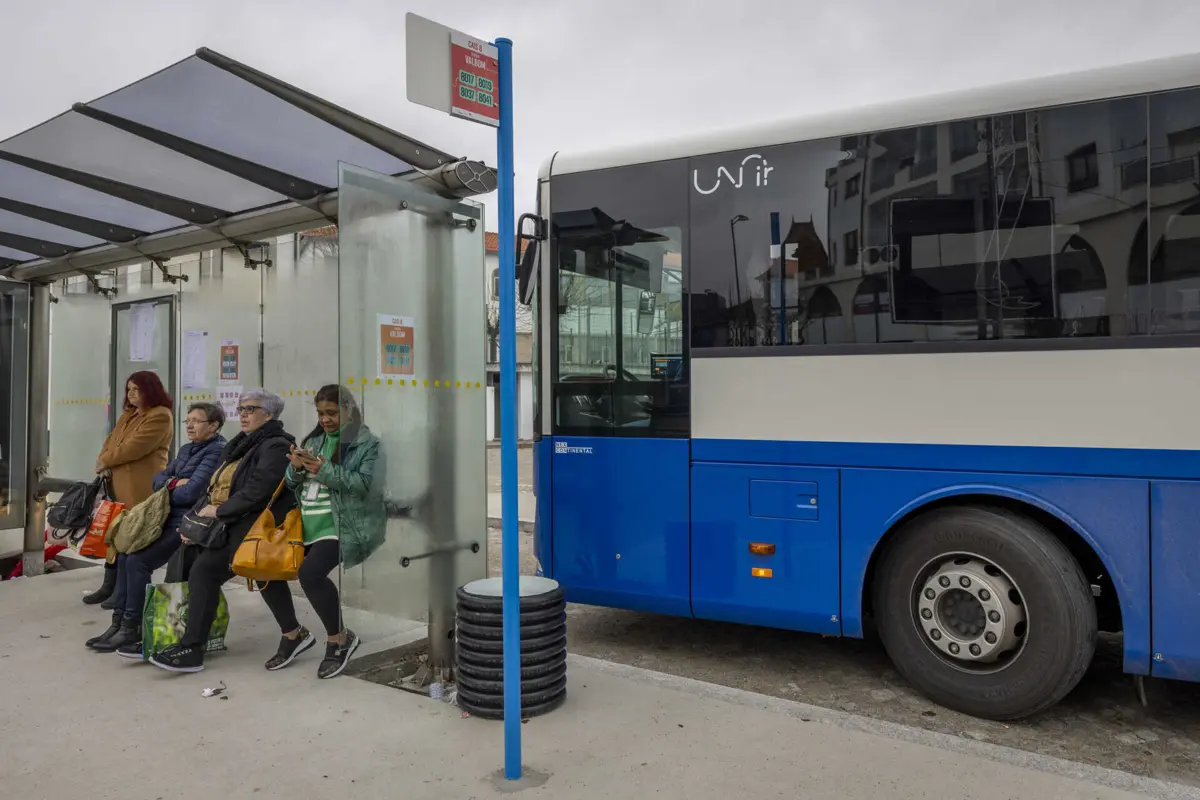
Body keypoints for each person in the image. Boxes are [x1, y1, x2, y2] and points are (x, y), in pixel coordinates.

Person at [148, 389, 294, 674]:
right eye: (241, 409)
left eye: (250, 409)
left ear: (269, 414)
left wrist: (220, 511)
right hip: (231, 524)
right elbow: (213, 487)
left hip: (252, 527)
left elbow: (259, 489)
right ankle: (181, 639)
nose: (243, 415)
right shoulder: (242, 444)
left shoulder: (276, 446)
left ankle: (192, 647)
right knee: (211, 570)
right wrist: (194, 522)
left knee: (213, 572)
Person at [258, 384, 385, 679]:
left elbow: (366, 485)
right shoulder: (314, 440)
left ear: (349, 410)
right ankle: (293, 634)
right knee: (264, 566)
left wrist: (322, 469)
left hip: (342, 524)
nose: (325, 419)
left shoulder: (368, 444)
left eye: (331, 413)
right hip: (305, 524)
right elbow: (292, 483)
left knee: (311, 573)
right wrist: (296, 468)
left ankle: (339, 638)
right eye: (320, 413)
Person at [86, 402, 227, 655]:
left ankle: (131, 627)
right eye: (187, 421)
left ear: (214, 426)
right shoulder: (187, 449)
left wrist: (169, 485)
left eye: (196, 421)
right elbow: (157, 480)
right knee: (125, 553)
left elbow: (191, 492)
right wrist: (174, 483)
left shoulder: (216, 451)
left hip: (189, 522)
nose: (190, 426)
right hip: (164, 517)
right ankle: (118, 623)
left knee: (138, 561)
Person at [82, 371, 174, 607]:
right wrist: (102, 460)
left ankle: (122, 593)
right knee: (114, 534)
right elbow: (111, 441)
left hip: (139, 487)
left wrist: (106, 461)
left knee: (131, 536)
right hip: (116, 484)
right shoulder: (129, 414)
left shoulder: (160, 415)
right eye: (129, 389)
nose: (131, 394)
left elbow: (135, 447)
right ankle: (110, 586)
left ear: (149, 390)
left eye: (136, 389)